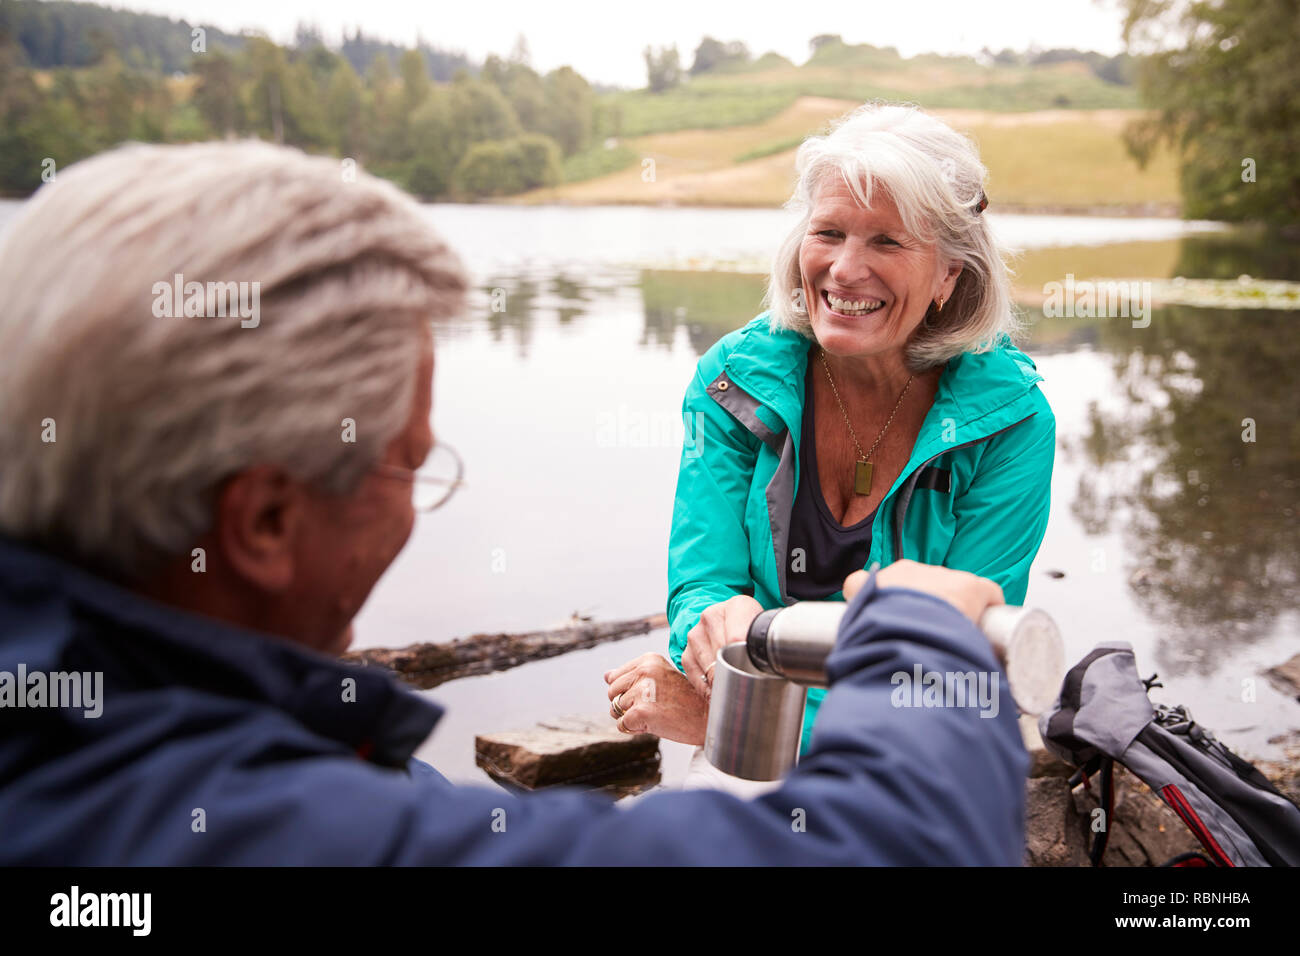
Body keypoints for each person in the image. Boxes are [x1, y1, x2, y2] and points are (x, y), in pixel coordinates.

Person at [0, 141, 1027, 865]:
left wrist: (725, 708)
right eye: (409, 465)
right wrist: (929, 640)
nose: (845, 268)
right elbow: (897, 845)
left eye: (886, 243)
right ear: (265, 522)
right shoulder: (248, 821)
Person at [608, 103, 1056, 755]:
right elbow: (702, 584)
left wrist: (729, 722)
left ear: (948, 274)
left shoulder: (1010, 423)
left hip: (911, 772)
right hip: (748, 743)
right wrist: (712, 626)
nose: (844, 270)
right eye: (829, 233)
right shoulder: (731, 384)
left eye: (887, 241)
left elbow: (950, 677)